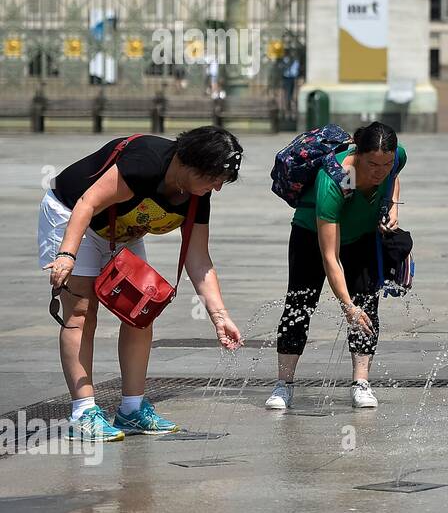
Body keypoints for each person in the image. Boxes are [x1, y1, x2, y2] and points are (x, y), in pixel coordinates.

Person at [40, 127, 244, 441]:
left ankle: (131, 410)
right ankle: (83, 412)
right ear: (189, 164)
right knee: (80, 311)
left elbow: (199, 259)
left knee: (140, 310)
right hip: (72, 214)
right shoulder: (144, 162)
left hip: (121, 230)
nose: (216, 188)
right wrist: (67, 253)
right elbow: (87, 202)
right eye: (214, 178)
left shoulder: (195, 196)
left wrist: (219, 316)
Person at [267, 122, 405, 412]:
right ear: (358, 153)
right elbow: (330, 256)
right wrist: (346, 306)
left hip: (363, 236)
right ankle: (284, 384)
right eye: (373, 164)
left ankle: (361, 383)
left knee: (367, 305)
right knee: (299, 303)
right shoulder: (341, 178)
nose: (380, 171)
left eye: (386, 163)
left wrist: (393, 205)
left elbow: (394, 176)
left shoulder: (395, 156)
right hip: (311, 235)